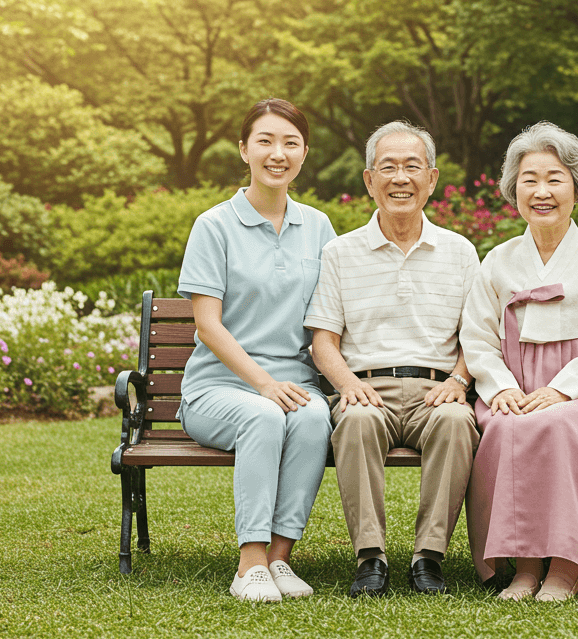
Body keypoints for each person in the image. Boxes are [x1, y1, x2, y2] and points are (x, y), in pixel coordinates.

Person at [460, 121, 578, 602]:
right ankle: (524, 566)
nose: (541, 191)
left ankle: (566, 566)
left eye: (554, 178)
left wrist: (561, 391)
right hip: (515, 389)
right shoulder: (497, 261)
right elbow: (477, 339)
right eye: (529, 180)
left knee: (559, 426)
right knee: (506, 428)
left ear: (576, 187)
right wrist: (501, 389)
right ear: (513, 189)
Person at [305, 120, 482, 597]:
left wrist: (460, 381)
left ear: (432, 179)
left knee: (455, 422)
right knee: (357, 421)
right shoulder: (340, 252)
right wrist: (346, 385)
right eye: (388, 167)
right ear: (369, 180)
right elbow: (323, 341)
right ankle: (371, 557)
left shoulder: (461, 252)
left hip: (436, 389)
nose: (399, 178)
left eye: (411, 167)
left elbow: (478, 336)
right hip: (366, 386)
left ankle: (428, 557)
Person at [175, 98, 337, 603]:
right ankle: (250, 563)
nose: (277, 153)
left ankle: (280, 559)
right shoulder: (214, 225)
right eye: (265, 141)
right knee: (263, 417)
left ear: (304, 153)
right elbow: (208, 326)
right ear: (244, 149)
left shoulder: (318, 226)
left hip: (296, 386)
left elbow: (330, 318)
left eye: (290, 143)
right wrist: (263, 384)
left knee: (313, 418)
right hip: (218, 390)